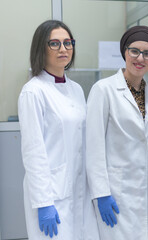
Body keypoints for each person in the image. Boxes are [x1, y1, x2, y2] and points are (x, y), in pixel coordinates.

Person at [18, 20, 99, 239]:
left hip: (80, 190)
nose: (63, 49)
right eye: (54, 43)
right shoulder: (33, 91)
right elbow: (33, 151)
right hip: (51, 194)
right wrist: (44, 203)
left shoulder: (76, 89)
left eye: (68, 43)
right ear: (40, 48)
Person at [86, 26, 148, 239]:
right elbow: (93, 146)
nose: (140, 58)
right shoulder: (103, 90)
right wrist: (101, 193)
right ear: (124, 52)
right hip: (116, 191)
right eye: (134, 51)